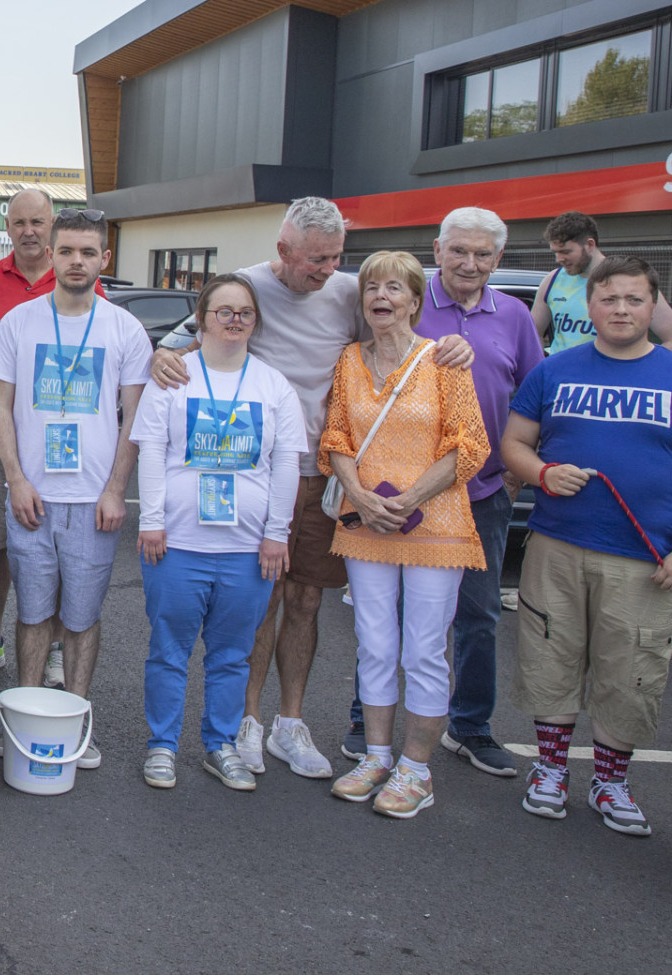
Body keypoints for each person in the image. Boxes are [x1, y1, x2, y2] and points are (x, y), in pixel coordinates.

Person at [149, 197, 474, 779]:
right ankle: (245, 722)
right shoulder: (246, 286)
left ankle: (289, 724)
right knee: (261, 599)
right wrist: (162, 354)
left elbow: (395, 336)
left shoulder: (350, 291)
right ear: (284, 251)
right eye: (316, 260)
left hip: (327, 476)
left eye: (335, 258)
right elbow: (180, 337)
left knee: (305, 598)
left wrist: (456, 343)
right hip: (252, 472)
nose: (328, 270)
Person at [503, 255, 672, 836]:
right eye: (609, 299)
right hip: (558, 545)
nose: (621, 309)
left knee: (631, 668)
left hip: (647, 560)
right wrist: (542, 473)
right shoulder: (555, 371)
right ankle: (551, 770)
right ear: (591, 306)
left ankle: (611, 781)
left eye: (634, 299)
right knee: (551, 657)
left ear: (654, 307)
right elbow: (514, 444)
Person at [356, 207, 542, 777]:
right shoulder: (405, 296)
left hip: (482, 491)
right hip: (394, 493)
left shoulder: (512, 315)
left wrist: (515, 468)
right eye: (458, 250)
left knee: (478, 614)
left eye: (482, 254)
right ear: (437, 250)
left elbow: (533, 392)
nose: (470, 263)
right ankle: (368, 727)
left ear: (498, 259)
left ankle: (470, 727)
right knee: (383, 618)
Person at [320, 250, 489, 820]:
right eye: (373, 287)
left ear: (416, 301)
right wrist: (363, 499)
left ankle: (416, 771)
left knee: (423, 649)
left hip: (434, 525)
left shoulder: (444, 360)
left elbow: (471, 446)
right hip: (365, 521)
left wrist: (410, 499)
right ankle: (374, 756)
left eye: (395, 288)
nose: (382, 297)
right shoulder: (348, 360)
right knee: (374, 643)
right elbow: (336, 437)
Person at [0, 208, 153, 771]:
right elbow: (0, 405)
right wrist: (15, 479)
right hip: (32, 493)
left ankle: (77, 717)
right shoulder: (19, 323)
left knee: (81, 616)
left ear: (104, 259)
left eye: (88, 253)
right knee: (32, 614)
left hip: (92, 500)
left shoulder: (123, 329)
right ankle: (22, 718)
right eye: (67, 252)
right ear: (50, 255)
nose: (77, 262)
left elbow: (134, 418)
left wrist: (115, 489)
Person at [132, 274, 304, 792]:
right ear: (202, 318)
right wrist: (152, 521)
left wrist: (278, 533)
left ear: (255, 321)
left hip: (249, 550)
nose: (233, 320)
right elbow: (152, 454)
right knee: (169, 649)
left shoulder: (273, 385)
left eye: (244, 312)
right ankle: (161, 745)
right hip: (178, 544)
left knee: (233, 655)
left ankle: (220, 744)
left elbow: (286, 466)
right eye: (223, 311)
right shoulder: (173, 377)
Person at [0, 190, 107, 677]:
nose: (29, 230)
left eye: (38, 222)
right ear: (7, 227)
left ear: (50, 229)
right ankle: (1, 643)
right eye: (19, 221)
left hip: (65, 444)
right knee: (1, 549)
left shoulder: (80, 280)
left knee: (65, 557)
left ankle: (53, 651)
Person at [532, 211, 672, 356]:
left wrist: (635, 369)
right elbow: (532, 334)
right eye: (555, 252)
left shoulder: (630, 279)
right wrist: (542, 369)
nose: (559, 259)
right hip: (563, 379)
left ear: (590, 245)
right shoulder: (553, 280)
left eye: (566, 252)